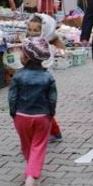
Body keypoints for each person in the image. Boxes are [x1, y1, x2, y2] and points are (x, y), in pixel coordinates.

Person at [7, 37, 57, 186]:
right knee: (39, 145)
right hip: (42, 117)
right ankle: (32, 175)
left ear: (27, 57)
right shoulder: (48, 77)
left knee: (26, 144)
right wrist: (51, 113)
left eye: (22, 53)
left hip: (21, 116)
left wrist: (13, 112)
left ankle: (31, 169)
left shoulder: (18, 76)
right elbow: (52, 98)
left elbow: (12, 97)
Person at [27, 14, 65, 142]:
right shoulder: (30, 43)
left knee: (42, 109)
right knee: (37, 108)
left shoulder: (45, 46)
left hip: (42, 82)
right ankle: (50, 133)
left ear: (44, 30)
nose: (32, 33)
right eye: (30, 30)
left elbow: (46, 64)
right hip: (32, 81)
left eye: (36, 30)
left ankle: (54, 132)